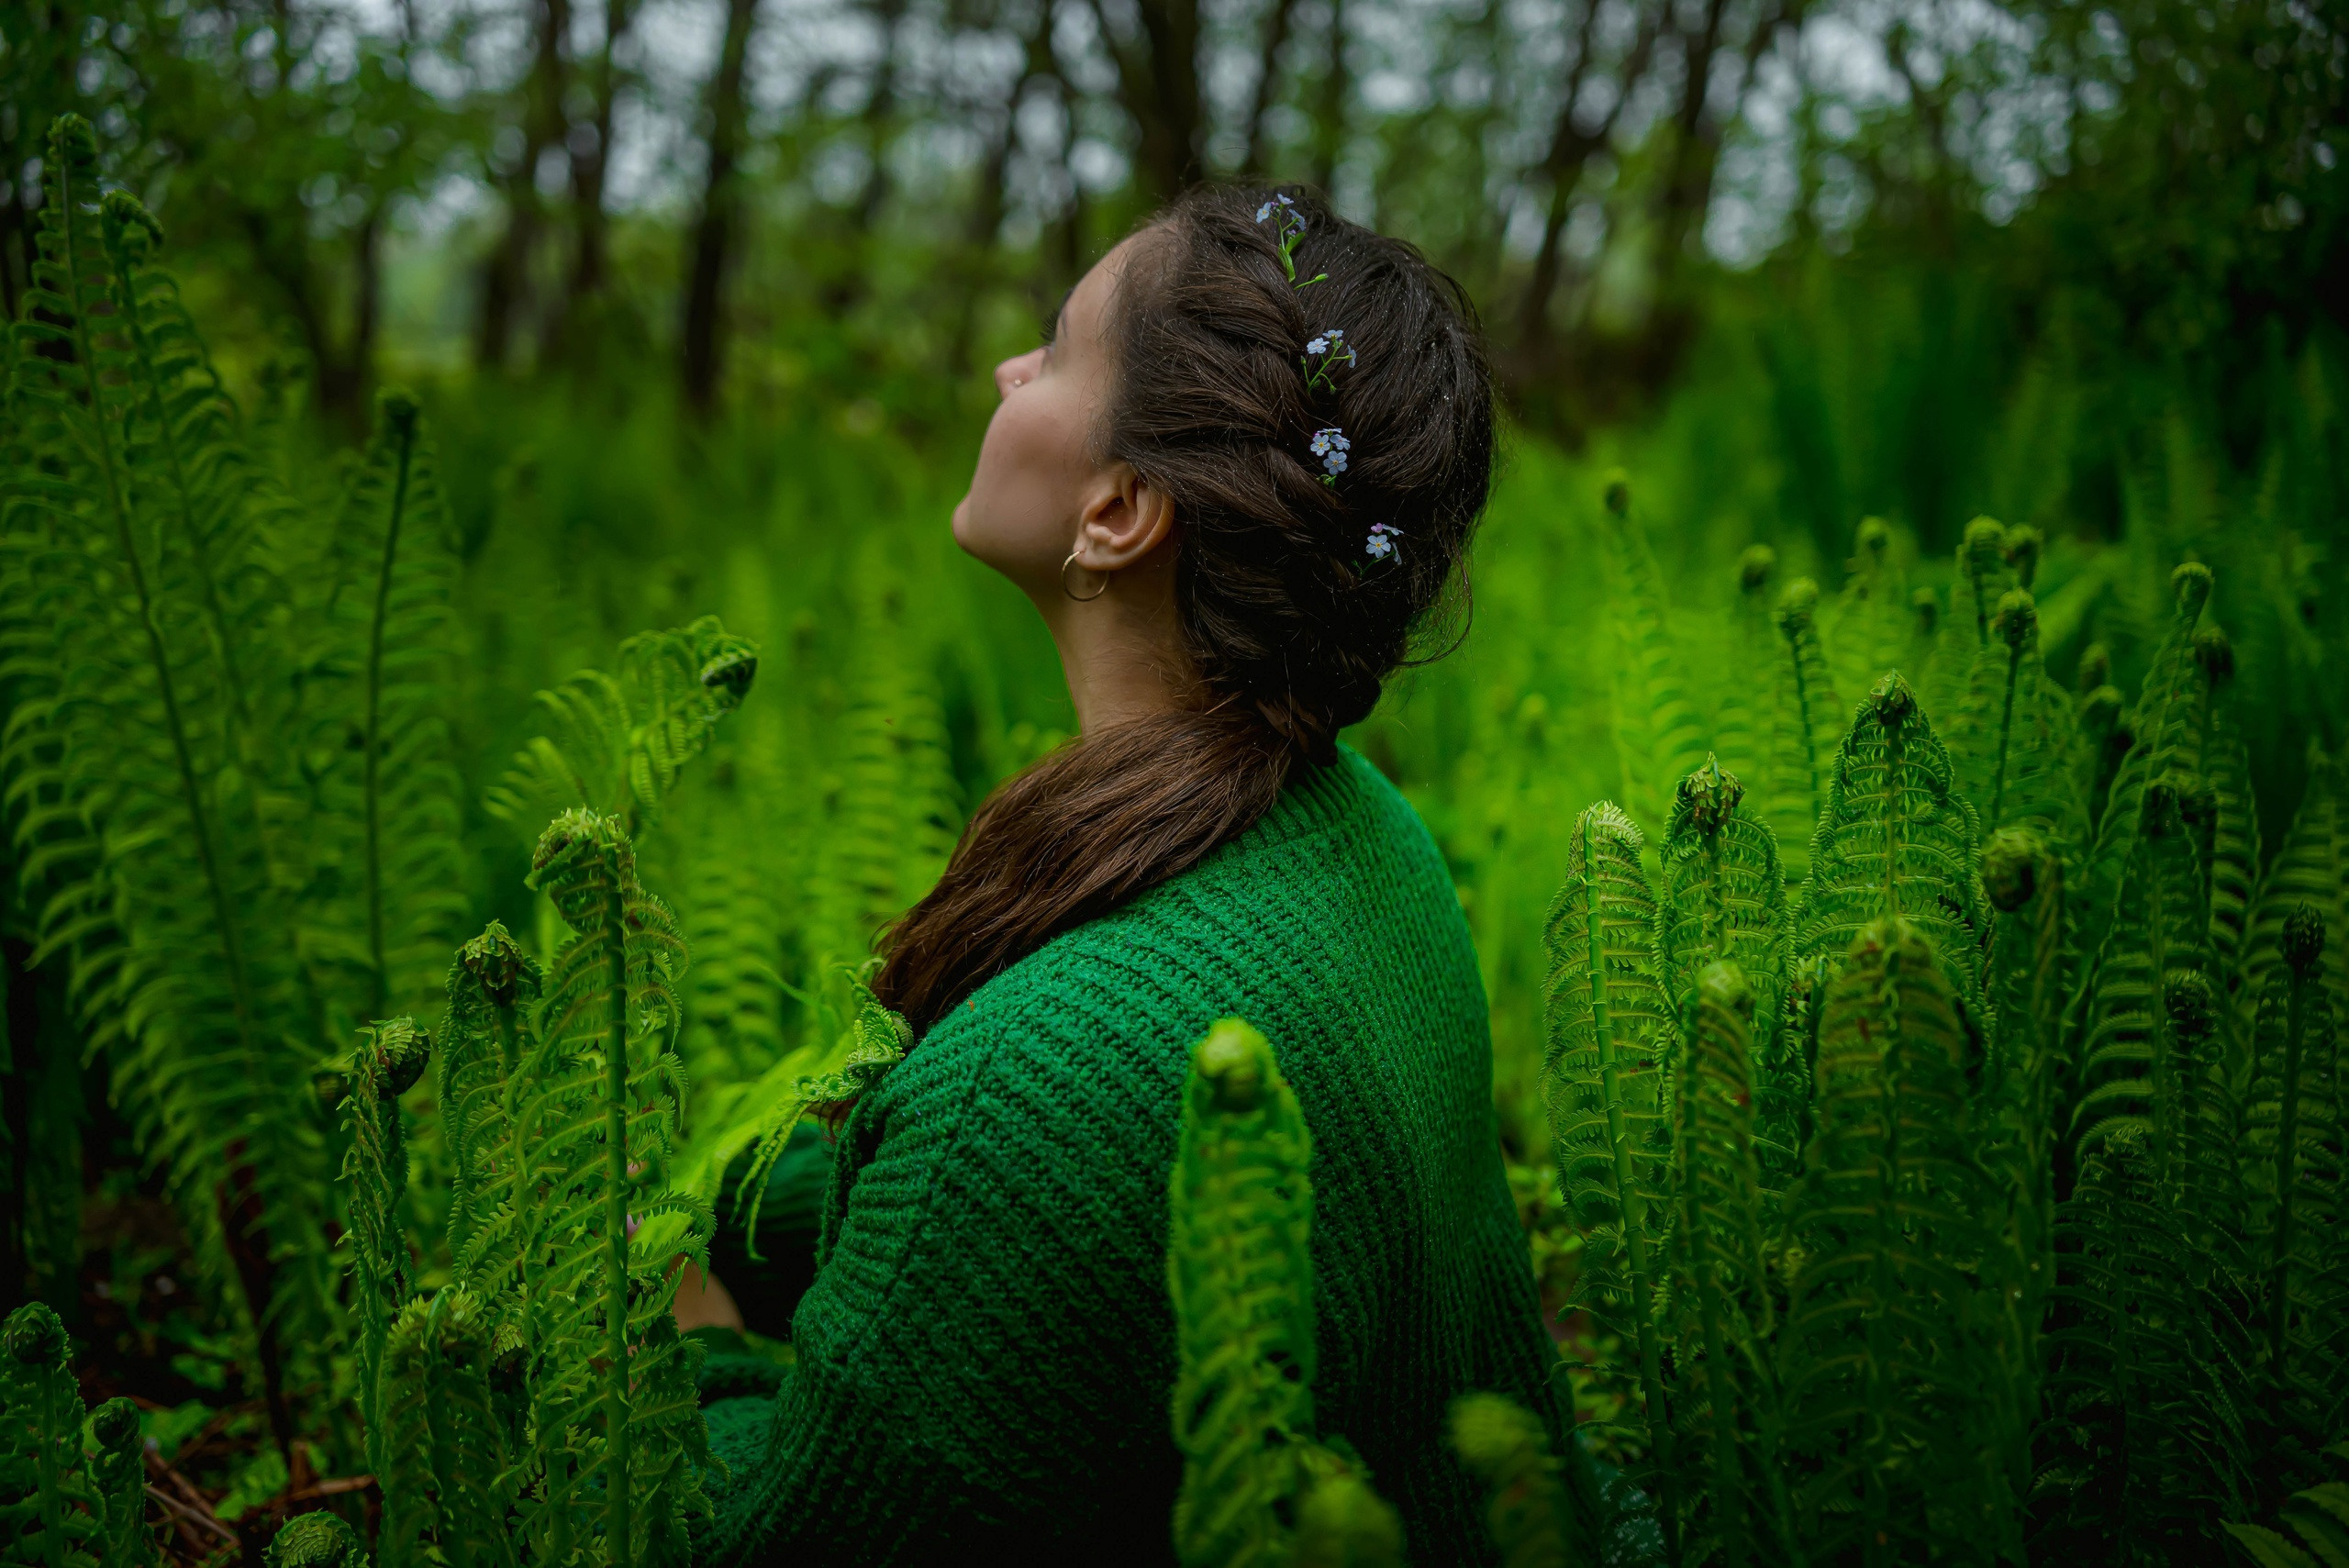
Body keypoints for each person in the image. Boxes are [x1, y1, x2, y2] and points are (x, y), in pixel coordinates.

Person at [693, 184, 1602, 1565]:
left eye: (1055, 348)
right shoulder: (1363, 831)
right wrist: (747, 1207)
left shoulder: (1039, 1088)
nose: (1006, 369)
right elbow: (1049, 1242)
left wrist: (694, 1344)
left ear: (1117, 513)